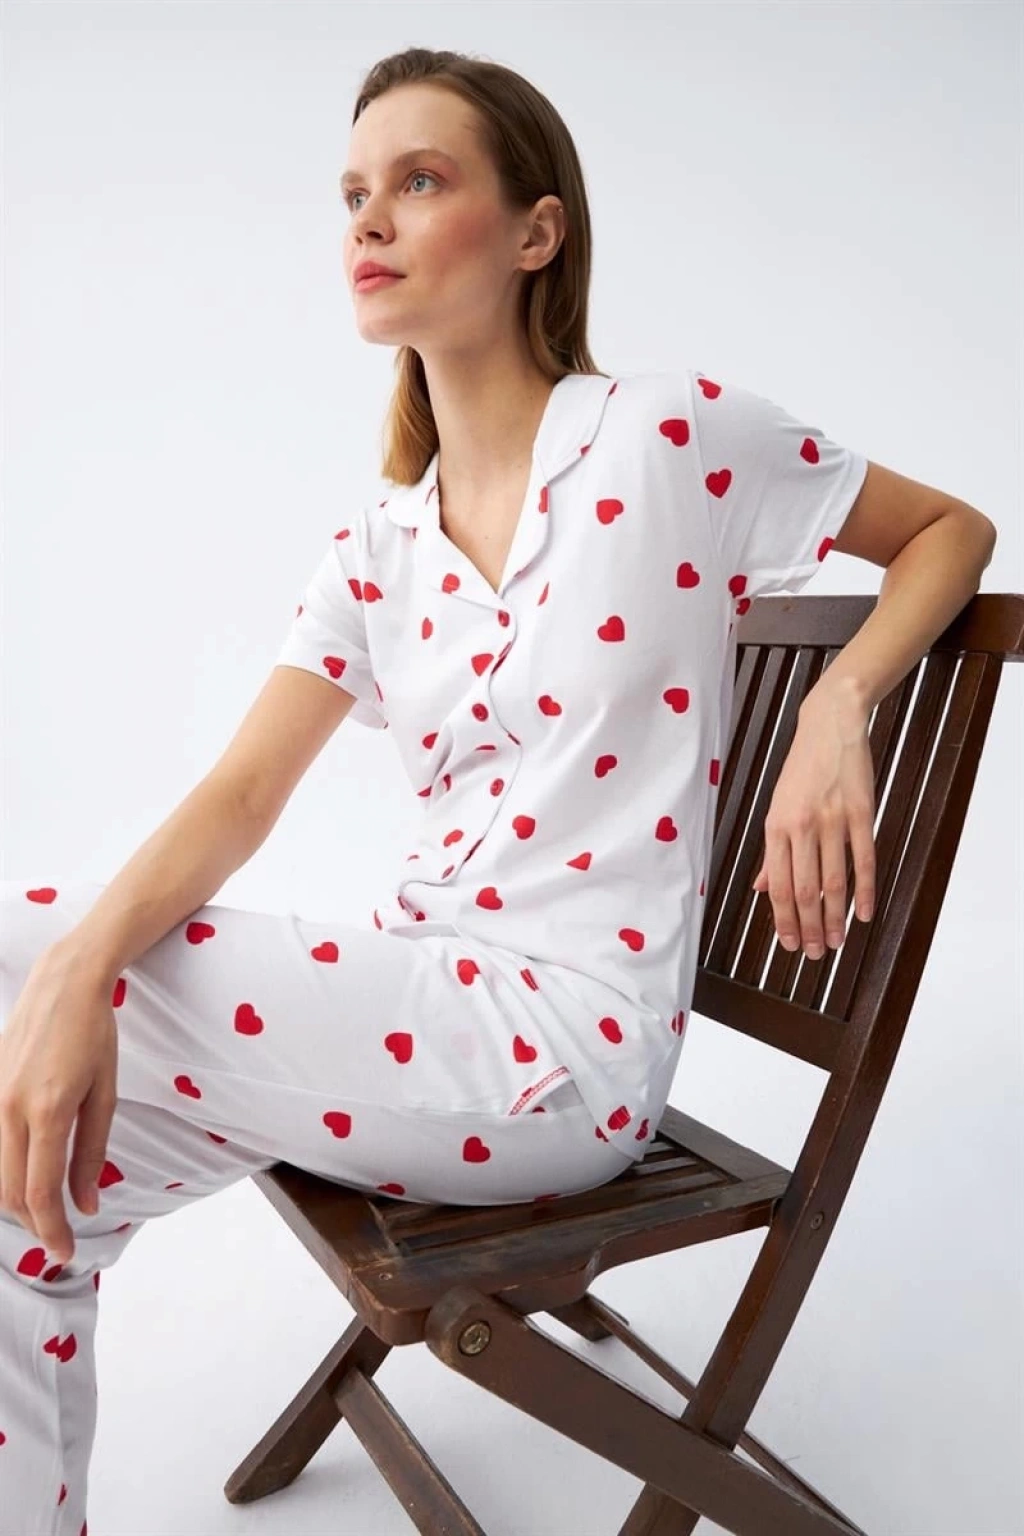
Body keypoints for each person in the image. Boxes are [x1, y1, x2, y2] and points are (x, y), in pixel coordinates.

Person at [1, 43, 995, 1536]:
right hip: (428, 1008)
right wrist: (82, 970)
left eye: (419, 181)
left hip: (559, 1057)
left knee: (23, 949)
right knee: (20, 1196)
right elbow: (240, 795)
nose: (369, 219)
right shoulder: (378, 545)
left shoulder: (663, 436)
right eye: (353, 192)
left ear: (537, 233)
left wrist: (836, 705)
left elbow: (951, 531)